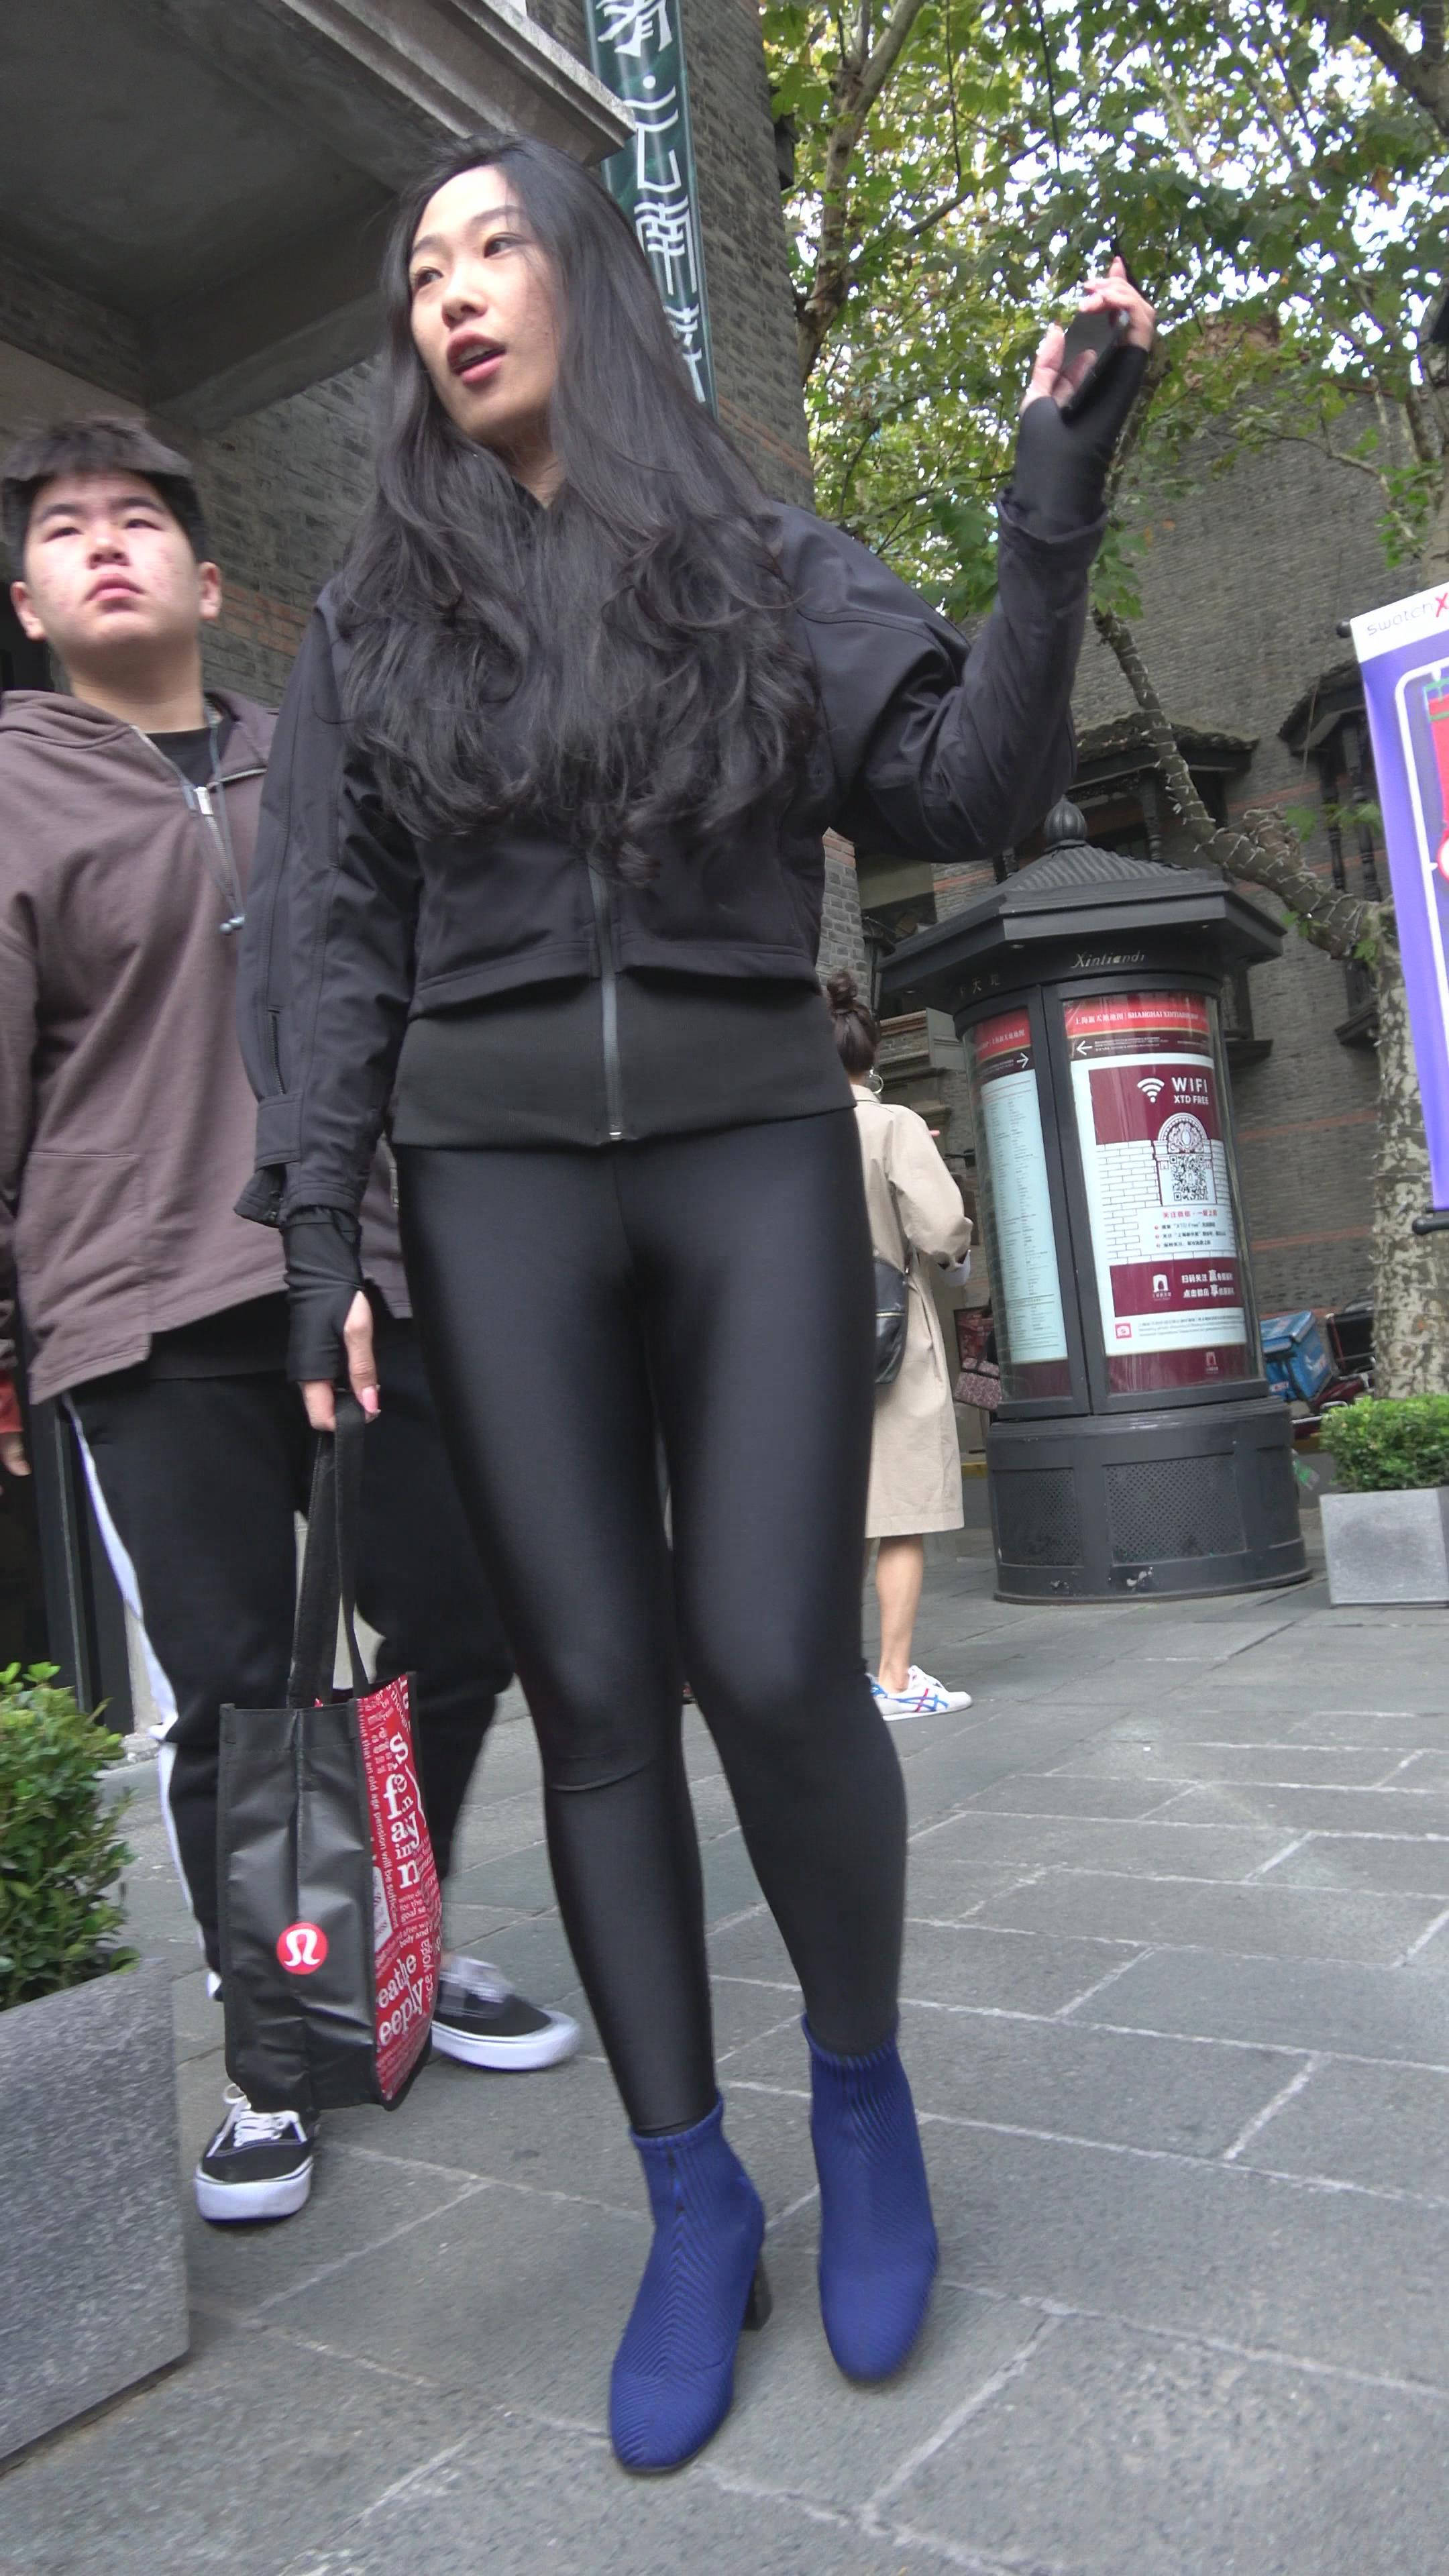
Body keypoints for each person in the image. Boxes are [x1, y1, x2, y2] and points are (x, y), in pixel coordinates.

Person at [237, 133, 1153, 2469]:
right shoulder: (375, 616)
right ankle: (686, 2192)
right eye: (420, 269)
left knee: (770, 1654)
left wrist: (1051, 502)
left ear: (588, 278)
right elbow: (328, 934)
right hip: (491, 1183)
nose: (454, 291)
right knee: (596, 1695)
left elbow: (970, 780)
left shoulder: (763, 558)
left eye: (495, 246)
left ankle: (860, 2100)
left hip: (751, 1146)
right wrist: (322, 1230)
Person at [0, 415, 578, 2228]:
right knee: (241, 1694)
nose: (106, 543)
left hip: (370, 1276)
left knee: (465, 1617)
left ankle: (398, 1941)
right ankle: (277, 2051)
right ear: (25, 600)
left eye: (139, 519)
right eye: (66, 529)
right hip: (141, 1303)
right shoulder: (10, 788)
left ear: (209, 580)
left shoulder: (312, 756)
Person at [827, 972, 975, 1721]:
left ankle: (833, 1674)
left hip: (802, 1341)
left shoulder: (782, 1130)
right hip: (888, 1336)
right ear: (871, 1054)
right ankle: (895, 1677)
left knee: (836, 1517)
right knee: (899, 1514)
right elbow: (942, 1230)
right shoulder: (892, 1125)